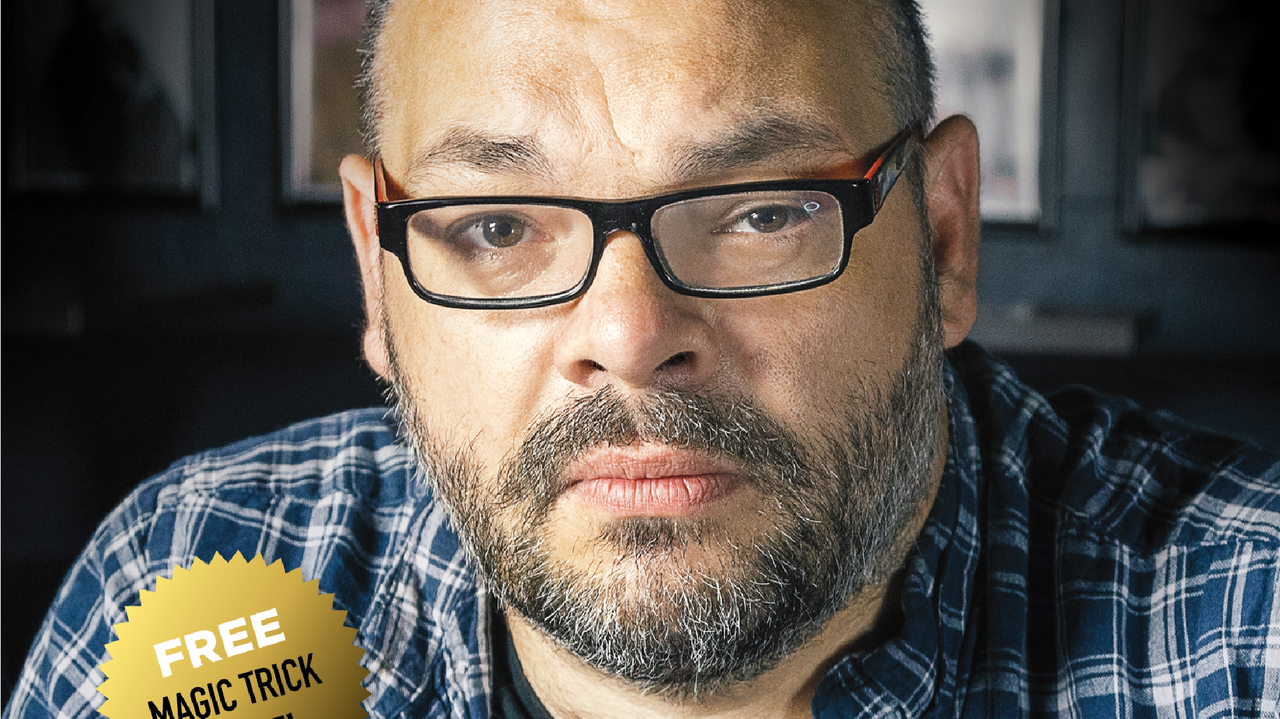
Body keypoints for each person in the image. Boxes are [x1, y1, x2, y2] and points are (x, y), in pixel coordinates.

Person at [7, 0, 1280, 717]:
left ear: (941, 235)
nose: (626, 336)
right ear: (375, 273)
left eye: (760, 210)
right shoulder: (198, 584)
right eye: (495, 226)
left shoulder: (1239, 635)